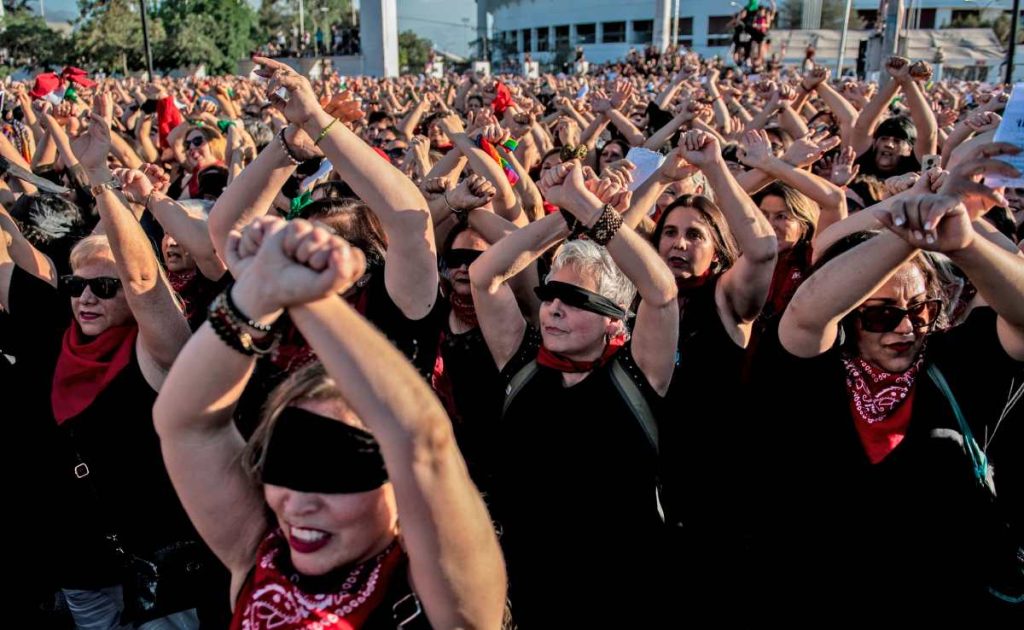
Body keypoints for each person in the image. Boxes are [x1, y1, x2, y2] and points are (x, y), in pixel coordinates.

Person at [152, 215, 506, 628]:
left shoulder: (447, 599)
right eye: (282, 463)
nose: (300, 502)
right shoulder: (262, 553)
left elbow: (423, 443)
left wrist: (306, 295)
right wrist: (256, 291)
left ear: (401, 483)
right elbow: (188, 422)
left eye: (337, 472)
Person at [746, 148, 1024, 617]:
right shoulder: (813, 369)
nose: (906, 328)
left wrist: (964, 244)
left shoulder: (950, 364)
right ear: (848, 316)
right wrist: (907, 234)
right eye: (881, 315)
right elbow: (810, 305)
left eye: (921, 310)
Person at [470, 160, 678, 626]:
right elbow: (484, 276)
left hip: (622, 597)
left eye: (577, 300)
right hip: (525, 593)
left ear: (615, 319)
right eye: (550, 295)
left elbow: (661, 293)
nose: (554, 310)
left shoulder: (637, 373)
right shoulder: (524, 362)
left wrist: (591, 209)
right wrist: (564, 216)